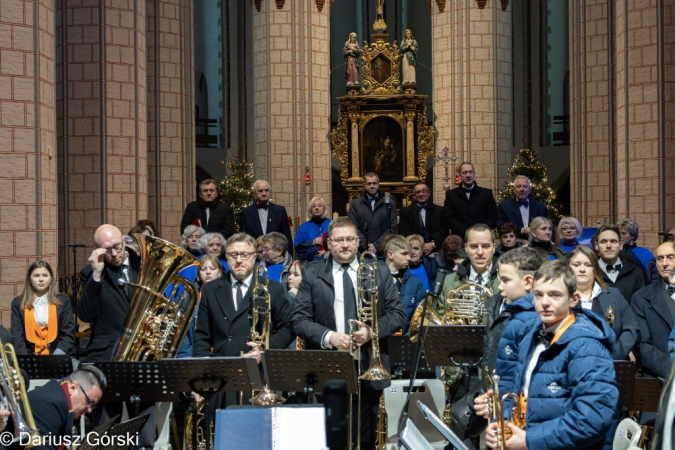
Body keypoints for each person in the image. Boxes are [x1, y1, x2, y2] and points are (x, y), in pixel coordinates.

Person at [292, 217, 406, 449]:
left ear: (358, 242)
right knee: (332, 436)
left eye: (350, 239)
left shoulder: (380, 270)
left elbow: (397, 314)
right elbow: (299, 320)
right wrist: (328, 337)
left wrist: (372, 333)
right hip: (329, 362)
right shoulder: (312, 273)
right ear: (329, 243)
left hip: (369, 362)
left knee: (365, 437)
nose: (345, 245)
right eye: (339, 240)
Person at [486, 261, 619, 450]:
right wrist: (502, 422)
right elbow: (516, 392)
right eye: (538, 295)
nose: (545, 302)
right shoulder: (531, 335)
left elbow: (593, 418)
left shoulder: (588, 347)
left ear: (573, 299)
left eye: (555, 295)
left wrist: (530, 440)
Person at [77, 224, 156, 447]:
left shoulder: (145, 264)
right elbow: (84, 314)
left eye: (117, 247)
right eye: (106, 250)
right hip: (106, 355)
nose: (114, 254)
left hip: (142, 352)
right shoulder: (91, 273)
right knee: (105, 429)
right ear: (97, 251)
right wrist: (96, 274)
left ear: (124, 241)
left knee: (144, 426)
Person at [193, 232, 293, 405]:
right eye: (233, 255)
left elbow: (288, 328)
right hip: (220, 375)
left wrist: (264, 351)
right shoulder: (211, 290)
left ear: (254, 257)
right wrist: (200, 376)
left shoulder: (273, 289)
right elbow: (202, 337)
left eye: (245, 255)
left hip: (257, 374)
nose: (239, 260)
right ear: (226, 257)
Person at [464, 247, 546, 443]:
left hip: (524, 422)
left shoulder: (535, 320)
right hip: (503, 410)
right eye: (499, 279)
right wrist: (488, 398)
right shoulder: (508, 309)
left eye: (506, 280)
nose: (499, 287)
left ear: (528, 282)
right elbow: (498, 365)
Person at [566, 245, 639, 360]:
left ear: (595, 269)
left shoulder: (614, 295)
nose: (582, 269)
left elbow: (632, 327)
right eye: (576, 264)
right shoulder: (559, 298)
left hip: (611, 363)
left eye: (588, 265)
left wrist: (615, 354)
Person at [27, 366, 107, 450]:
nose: (89, 410)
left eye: (92, 405)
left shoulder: (58, 395)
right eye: (89, 402)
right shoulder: (48, 405)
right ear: (73, 387)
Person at [11, 260, 76, 356]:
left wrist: (56, 357)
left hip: (57, 357)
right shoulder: (18, 303)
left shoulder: (63, 301)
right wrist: (27, 361)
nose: (41, 279)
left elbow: (68, 333)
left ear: (51, 279)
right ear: (29, 279)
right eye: (36, 276)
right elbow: (17, 337)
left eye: (45, 275)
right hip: (28, 358)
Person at [631, 241, 675, 379]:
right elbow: (642, 345)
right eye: (660, 258)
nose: (665, 263)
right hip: (659, 379)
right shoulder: (641, 298)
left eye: (670, 257)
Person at [177, 254, 225, 358]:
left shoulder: (229, 293)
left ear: (220, 272)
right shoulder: (188, 296)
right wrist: (186, 356)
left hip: (222, 353)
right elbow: (181, 331)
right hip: (194, 353)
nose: (208, 272)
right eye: (203, 269)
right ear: (198, 275)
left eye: (212, 269)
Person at [442, 162, 498, 238]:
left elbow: (493, 217)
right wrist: (465, 232)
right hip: (460, 238)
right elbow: (448, 218)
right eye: (465, 172)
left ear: (474, 174)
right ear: (460, 175)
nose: (468, 175)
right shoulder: (451, 195)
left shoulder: (486, 194)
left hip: (482, 236)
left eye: (470, 172)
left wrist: (480, 231)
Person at [383, 235, 426, 334]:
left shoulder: (415, 282)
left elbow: (418, 317)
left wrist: (407, 339)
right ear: (390, 254)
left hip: (406, 341)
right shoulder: (375, 279)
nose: (409, 258)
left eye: (409, 254)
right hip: (379, 338)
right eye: (404, 254)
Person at [239, 180, 294, 255]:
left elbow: (287, 237)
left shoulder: (280, 210)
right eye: (260, 191)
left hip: (276, 255)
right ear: (254, 194)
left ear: (270, 192)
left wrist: (289, 257)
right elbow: (243, 237)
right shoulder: (246, 212)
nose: (264, 193)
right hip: (254, 255)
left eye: (266, 190)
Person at [347, 173, 397, 254]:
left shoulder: (389, 203)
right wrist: (366, 245)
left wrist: (377, 245)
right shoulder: (355, 204)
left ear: (378, 184)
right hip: (361, 250)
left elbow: (391, 227)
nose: (372, 186)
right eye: (369, 183)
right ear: (364, 185)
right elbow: (353, 227)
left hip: (384, 250)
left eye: (374, 183)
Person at [594, 224, 645, 303]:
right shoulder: (590, 272)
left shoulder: (635, 272)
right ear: (596, 246)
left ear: (621, 245)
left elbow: (642, 304)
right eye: (603, 242)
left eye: (613, 241)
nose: (608, 246)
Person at [398, 182, 447, 255]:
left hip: (436, 249)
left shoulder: (439, 211)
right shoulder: (405, 212)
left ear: (428, 194)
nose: (421, 194)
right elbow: (404, 231)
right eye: (418, 192)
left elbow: (444, 230)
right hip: (413, 250)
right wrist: (420, 245)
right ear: (414, 196)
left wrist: (432, 244)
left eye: (424, 191)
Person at [294, 197, 331, 261]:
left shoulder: (332, 224)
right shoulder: (303, 227)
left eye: (319, 206)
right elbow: (298, 247)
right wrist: (312, 242)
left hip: (331, 262)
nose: (316, 208)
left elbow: (340, 242)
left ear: (324, 209)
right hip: (311, 264)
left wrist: (328, 251)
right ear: (310, 210)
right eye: (313, 206)